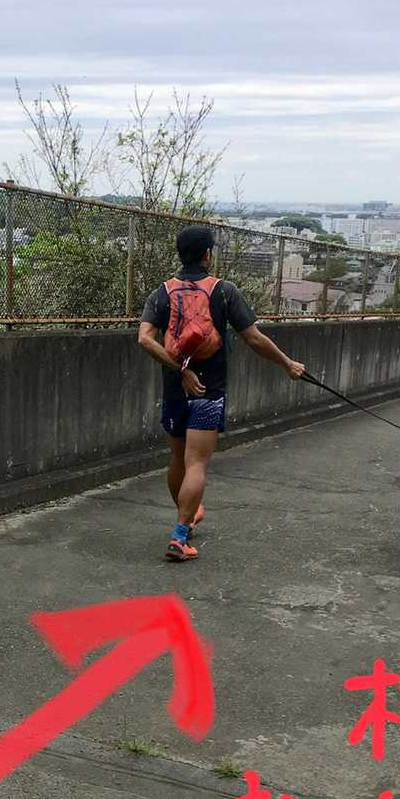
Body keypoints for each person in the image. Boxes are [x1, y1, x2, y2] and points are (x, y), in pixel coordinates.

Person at [138, 224, 306, 561]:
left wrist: (180, 370)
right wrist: (287, 363)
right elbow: (254, 338)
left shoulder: (162, 292)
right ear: (207, 255)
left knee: (177, 459)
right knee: (197, 463)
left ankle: (185, 518)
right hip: (208, 391)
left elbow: (144, 338)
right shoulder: (223, 291)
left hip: (175, 389)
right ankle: (179, 536)